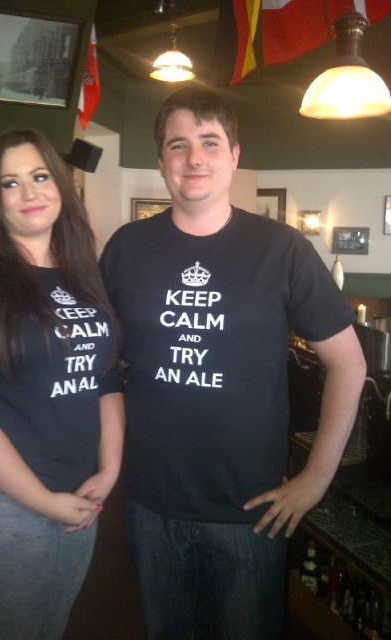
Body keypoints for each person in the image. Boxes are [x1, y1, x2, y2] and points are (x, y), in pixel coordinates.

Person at [100, 87, 366, 640]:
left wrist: (316, 479)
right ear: (161, 161)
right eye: (178, 144)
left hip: (251, 511)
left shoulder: (283, 249)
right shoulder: (126, 248)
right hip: (151, 504)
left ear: (234, 155)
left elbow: (349, 364)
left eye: (210, 142)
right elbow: (98, 364)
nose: (194, 158)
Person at [0, 128, 124, 640]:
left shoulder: (84, 279)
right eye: (9, 183)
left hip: (79, 495)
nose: (30, 192)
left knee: (52, 626)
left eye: (39, 176)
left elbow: (105, 380)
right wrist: (43, 501)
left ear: (60, 185)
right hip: (6, 506)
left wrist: (109, 468)